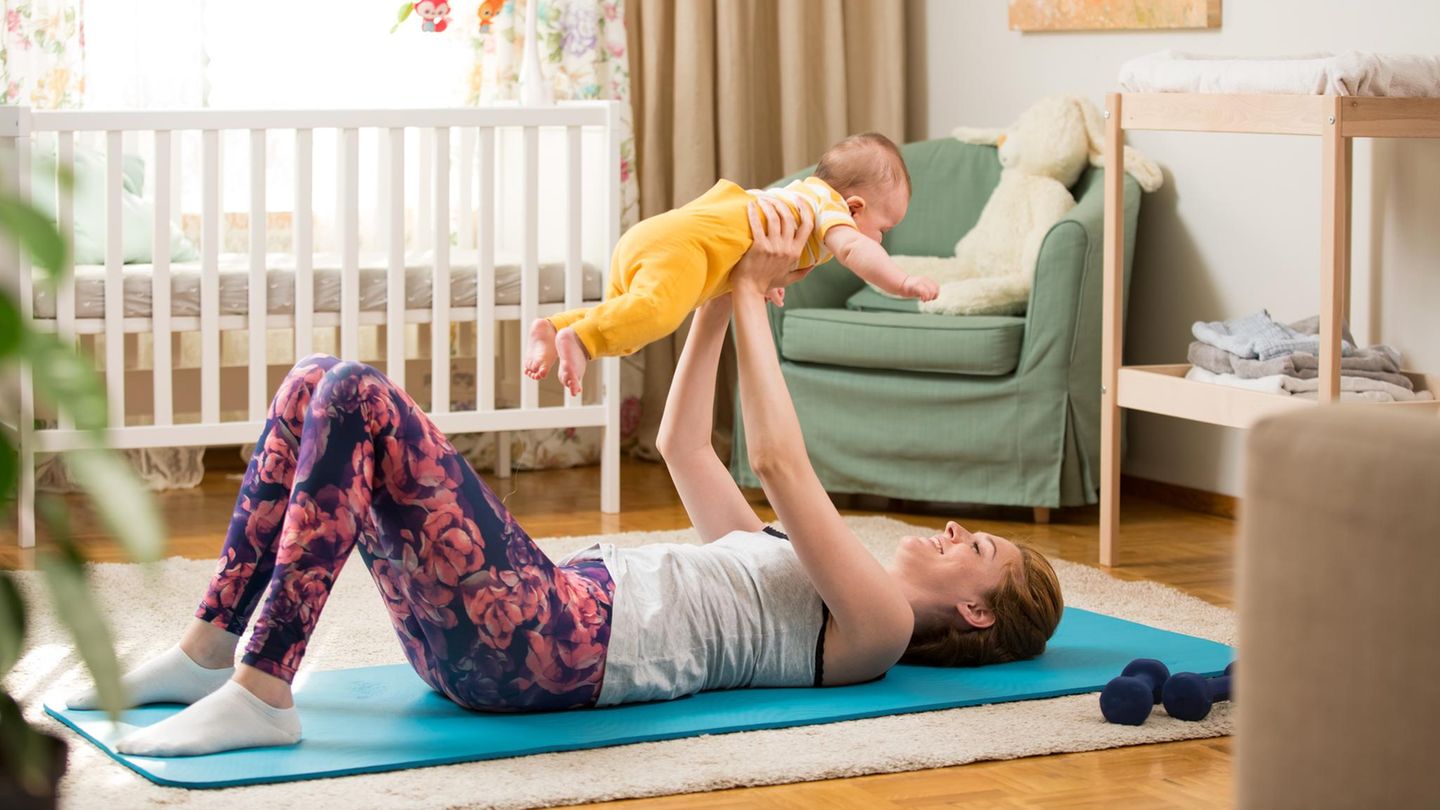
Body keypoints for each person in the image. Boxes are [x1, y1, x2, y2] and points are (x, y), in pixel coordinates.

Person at [68, 197, 1061, 758]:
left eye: (974, 551)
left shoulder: (877, 631)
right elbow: (686, 447)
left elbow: (776, 460)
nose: (947, 535)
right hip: (529, 616)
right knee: (315, 384)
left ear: (979, 614)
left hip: (545, 644)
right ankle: (210, 651)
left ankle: (263, 689)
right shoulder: (789, 570)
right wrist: (720, 293)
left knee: (358, 394)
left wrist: (759, 294)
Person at [524, 132, 941, 396]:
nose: (881, 238)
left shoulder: (799, 199)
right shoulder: (831, 209)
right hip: (685, 247)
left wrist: (767, 280)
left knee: (630, 318)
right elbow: (855, 251)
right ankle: (579, 342)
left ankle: (557, 327)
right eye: (883, 227)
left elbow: (750, 243)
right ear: (854, 207)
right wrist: (901, 281)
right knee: (655, 314)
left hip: (654, 237)